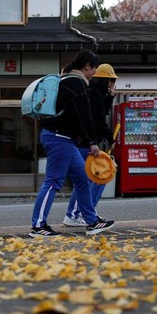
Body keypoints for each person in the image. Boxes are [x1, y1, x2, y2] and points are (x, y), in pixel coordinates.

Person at [29, 50, 116, 237]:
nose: (94, 73)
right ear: (87, 66)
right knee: (53, 181)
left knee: (83, 179)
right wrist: (92, 142)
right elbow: (84, 116)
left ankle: (92, 222)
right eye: (94, 69)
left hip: (62, 137)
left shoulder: (67, 81)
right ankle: (37, 226)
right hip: (59, 137)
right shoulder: (76, 83)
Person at [63, 63, 119, 227]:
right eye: (111, 81)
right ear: (105, 81)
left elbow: (99, 115)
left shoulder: (97, 94)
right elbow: (99, 121)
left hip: (88, 143)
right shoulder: (93, 94)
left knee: (99, 177)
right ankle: (73, 215)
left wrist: (109, 98)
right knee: (86, 180)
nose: (112, 84)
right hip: (86, 144)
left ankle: (88, 213)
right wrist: (111, 139)